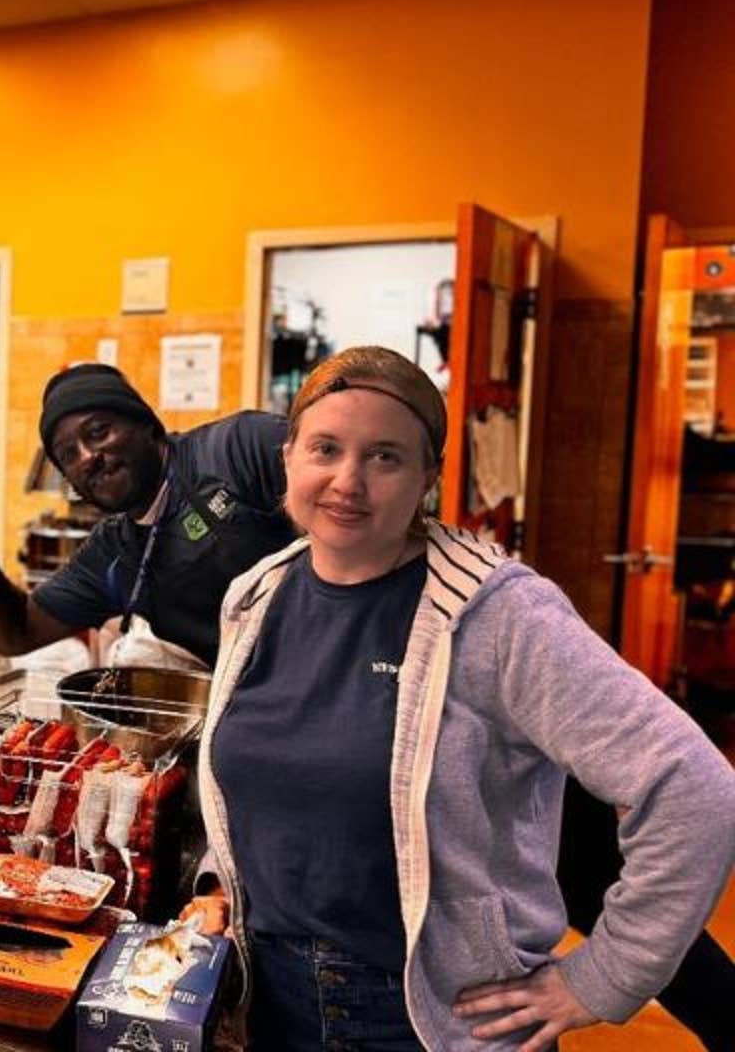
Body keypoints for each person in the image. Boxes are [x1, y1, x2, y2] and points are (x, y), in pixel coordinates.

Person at [188, 346, 735, 1050]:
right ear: (289, 455)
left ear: (428, 479)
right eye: (326, 448)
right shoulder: (256, 595)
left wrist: (602, 977)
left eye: (385, 457)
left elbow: (695, 789)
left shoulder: (499, 615)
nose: (347, 481)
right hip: (268, 1000)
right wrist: (219, 878)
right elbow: (249, 768)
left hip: (433, 1019)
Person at [0, 362, 295, 667]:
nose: (86, 456)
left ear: (147, 424)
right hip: (245, 714)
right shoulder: (112, 553)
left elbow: (341, 485)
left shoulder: (237, 448)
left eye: (98, 432)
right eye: (68, 454)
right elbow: (15, 632)